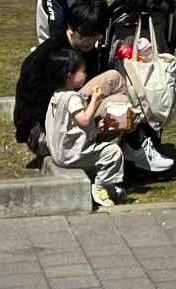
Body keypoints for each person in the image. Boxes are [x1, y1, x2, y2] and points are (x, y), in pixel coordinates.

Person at [41, 47, 129, 209]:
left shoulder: (57, 96)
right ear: (70, 76)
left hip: (57, 151)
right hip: (70, 154)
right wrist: (95, 100)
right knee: (113, 153)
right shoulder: (72, 98)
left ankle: (103, 182)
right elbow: (84, 120)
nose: (86, 74)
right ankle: (100, 186)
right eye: (82, 71)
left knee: (105, 150)